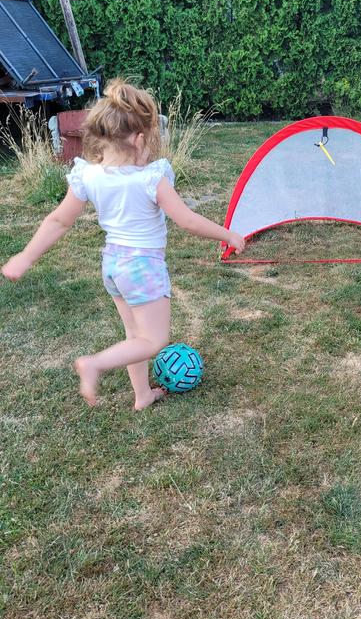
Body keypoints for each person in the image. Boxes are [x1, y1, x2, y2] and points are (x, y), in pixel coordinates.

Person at [1, 79, 245, 410]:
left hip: (113, 266)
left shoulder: (88, 175)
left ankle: (142, 395)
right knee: (153, 340)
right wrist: (227, 234)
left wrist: (25, 258)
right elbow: (186, 220)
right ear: (141, 138)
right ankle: (95, 363)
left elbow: (59, 220)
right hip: (143, 267)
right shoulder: (151, 179)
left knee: (135, 334)